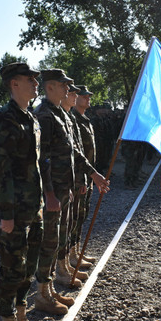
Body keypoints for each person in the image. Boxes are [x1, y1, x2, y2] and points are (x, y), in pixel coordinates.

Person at [33, 69, 110, 315]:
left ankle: (51, 286)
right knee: (50, 241)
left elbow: (74, 152)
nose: (70, 90)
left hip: (66, 185)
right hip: (55, 189)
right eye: (65, 85)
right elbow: (41, 158)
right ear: (51, 87)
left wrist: (92, 174)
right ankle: (43, 293)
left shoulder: (60, 115)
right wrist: (49, 193)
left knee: (60, 236)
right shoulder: (44, 116)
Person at [0, 62, 48, 321]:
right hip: (15, 211)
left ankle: (22, 318)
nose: (36, 84)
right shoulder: (5, 120)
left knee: (28, 267)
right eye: (30, 79)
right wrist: (7, 214)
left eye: (36, 80)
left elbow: (36, 164)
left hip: (33, 208)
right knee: (11, 269)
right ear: (14, 83)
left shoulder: (31, 118)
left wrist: (45, 197)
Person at [70, 85, 97, 269]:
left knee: (81, 216)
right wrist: (81, 180)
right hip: (80, 177)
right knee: (74, 218)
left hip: (88, 174)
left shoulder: (85, 119)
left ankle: (77, 251)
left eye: (88, 96)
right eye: (84, 96)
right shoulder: (73, 119)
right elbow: (75, 153)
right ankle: (70, 256)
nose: (88, 98)